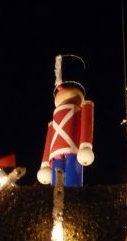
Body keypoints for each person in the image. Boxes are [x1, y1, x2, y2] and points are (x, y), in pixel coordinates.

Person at [37, 55, 94, 187]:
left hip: (73, 148)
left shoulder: (83, 107)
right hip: (56, 152)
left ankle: (72, 197)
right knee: (56, 182)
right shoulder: (55, 116)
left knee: (72, 178)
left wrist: (85, 145)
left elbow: (86, 122)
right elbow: (50, 136)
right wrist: (45, 163)